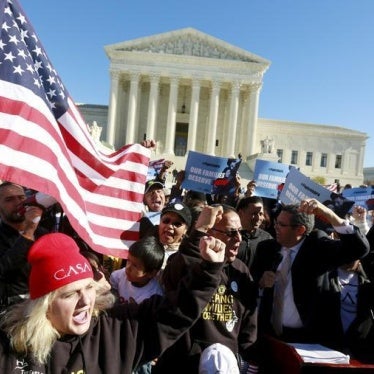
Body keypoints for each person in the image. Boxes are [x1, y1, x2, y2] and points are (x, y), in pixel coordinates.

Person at [0, 232, 226, 373]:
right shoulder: (13, 346)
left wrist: (207, 271)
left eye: (88, 287)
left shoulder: (116, 329)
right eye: (70, 294)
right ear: (44, 305)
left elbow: (174, 313)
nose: (85, 301)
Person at [153, 204, 258, 373]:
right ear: (210, 233)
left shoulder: (242, 271)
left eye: (241, 232)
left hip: (225, 365)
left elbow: (249, 323)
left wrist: (246, 358)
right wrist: (200, 230)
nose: (238, 238)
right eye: (231, 232)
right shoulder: (185, 263)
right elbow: (179, 269)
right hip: (184, 363)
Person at [251, 199, 370, 347]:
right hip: (270, 334)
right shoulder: (266, 248)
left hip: (308, 340)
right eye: (276, 222)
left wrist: (328, 214)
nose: (275, 227)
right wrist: (261, 282)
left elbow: (359, 249)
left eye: (281, 225)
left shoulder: (317, 247)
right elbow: (251, 280)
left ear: (300, 230)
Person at [110, 236, 165, 374]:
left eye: (136, 265)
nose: (128, 268)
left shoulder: (154, 295)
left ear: (152, 273)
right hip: (116, 334)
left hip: (137, 342)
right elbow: (113, 284)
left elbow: (153, 327)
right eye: (128, 261)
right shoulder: (120, 275)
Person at [0, 182, 47, 312]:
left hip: (44, 304)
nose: (18, 203)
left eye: (21, 198)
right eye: (9, 200)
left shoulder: (43, 233)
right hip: (13, 310)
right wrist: (28, 232)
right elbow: (4, 268)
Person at [316, 259, 374, 364]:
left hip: (359, 350)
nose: (349, 257)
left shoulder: (367, 282)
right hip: (327, 348)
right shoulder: (324, 276)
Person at [142, 201, 192, 270]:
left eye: (177, 224)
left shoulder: (186, 257)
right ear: (160, 222)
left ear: (185, 230)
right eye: (166, 221)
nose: (170, 226)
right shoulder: (143, 244)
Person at [236, 196, 273, 271]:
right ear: (240, 213)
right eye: (254, 213)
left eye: (261, 214)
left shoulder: (267, 239)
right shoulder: (230, 236)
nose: (258, 218)